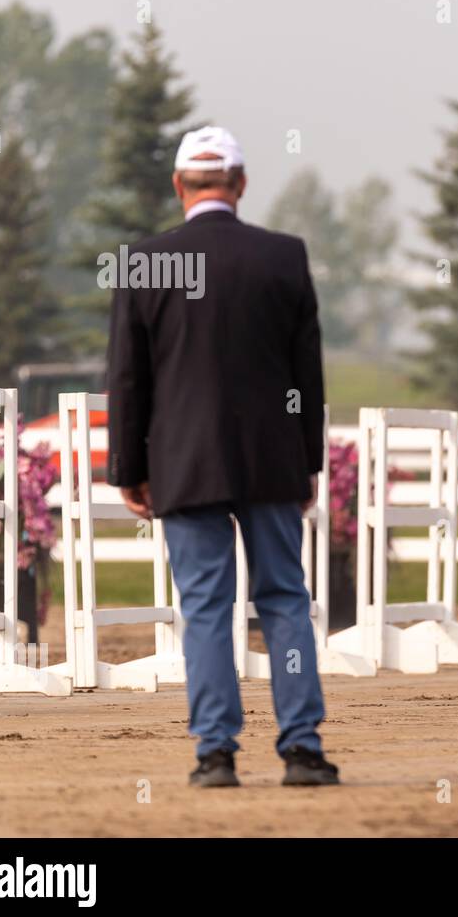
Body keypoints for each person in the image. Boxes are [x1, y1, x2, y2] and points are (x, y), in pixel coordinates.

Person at [107, 125, 339, 787]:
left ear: (179, 186)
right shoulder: (285, 256)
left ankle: (215, 752)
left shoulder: (144, 262)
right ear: (239, 184)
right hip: (270, 461)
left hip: (184, 461)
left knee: (205, 605)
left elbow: (128, 379)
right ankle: (301, 749)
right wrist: (306, 461)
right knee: (285, 602)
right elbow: (306, 378)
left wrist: (129, 467)